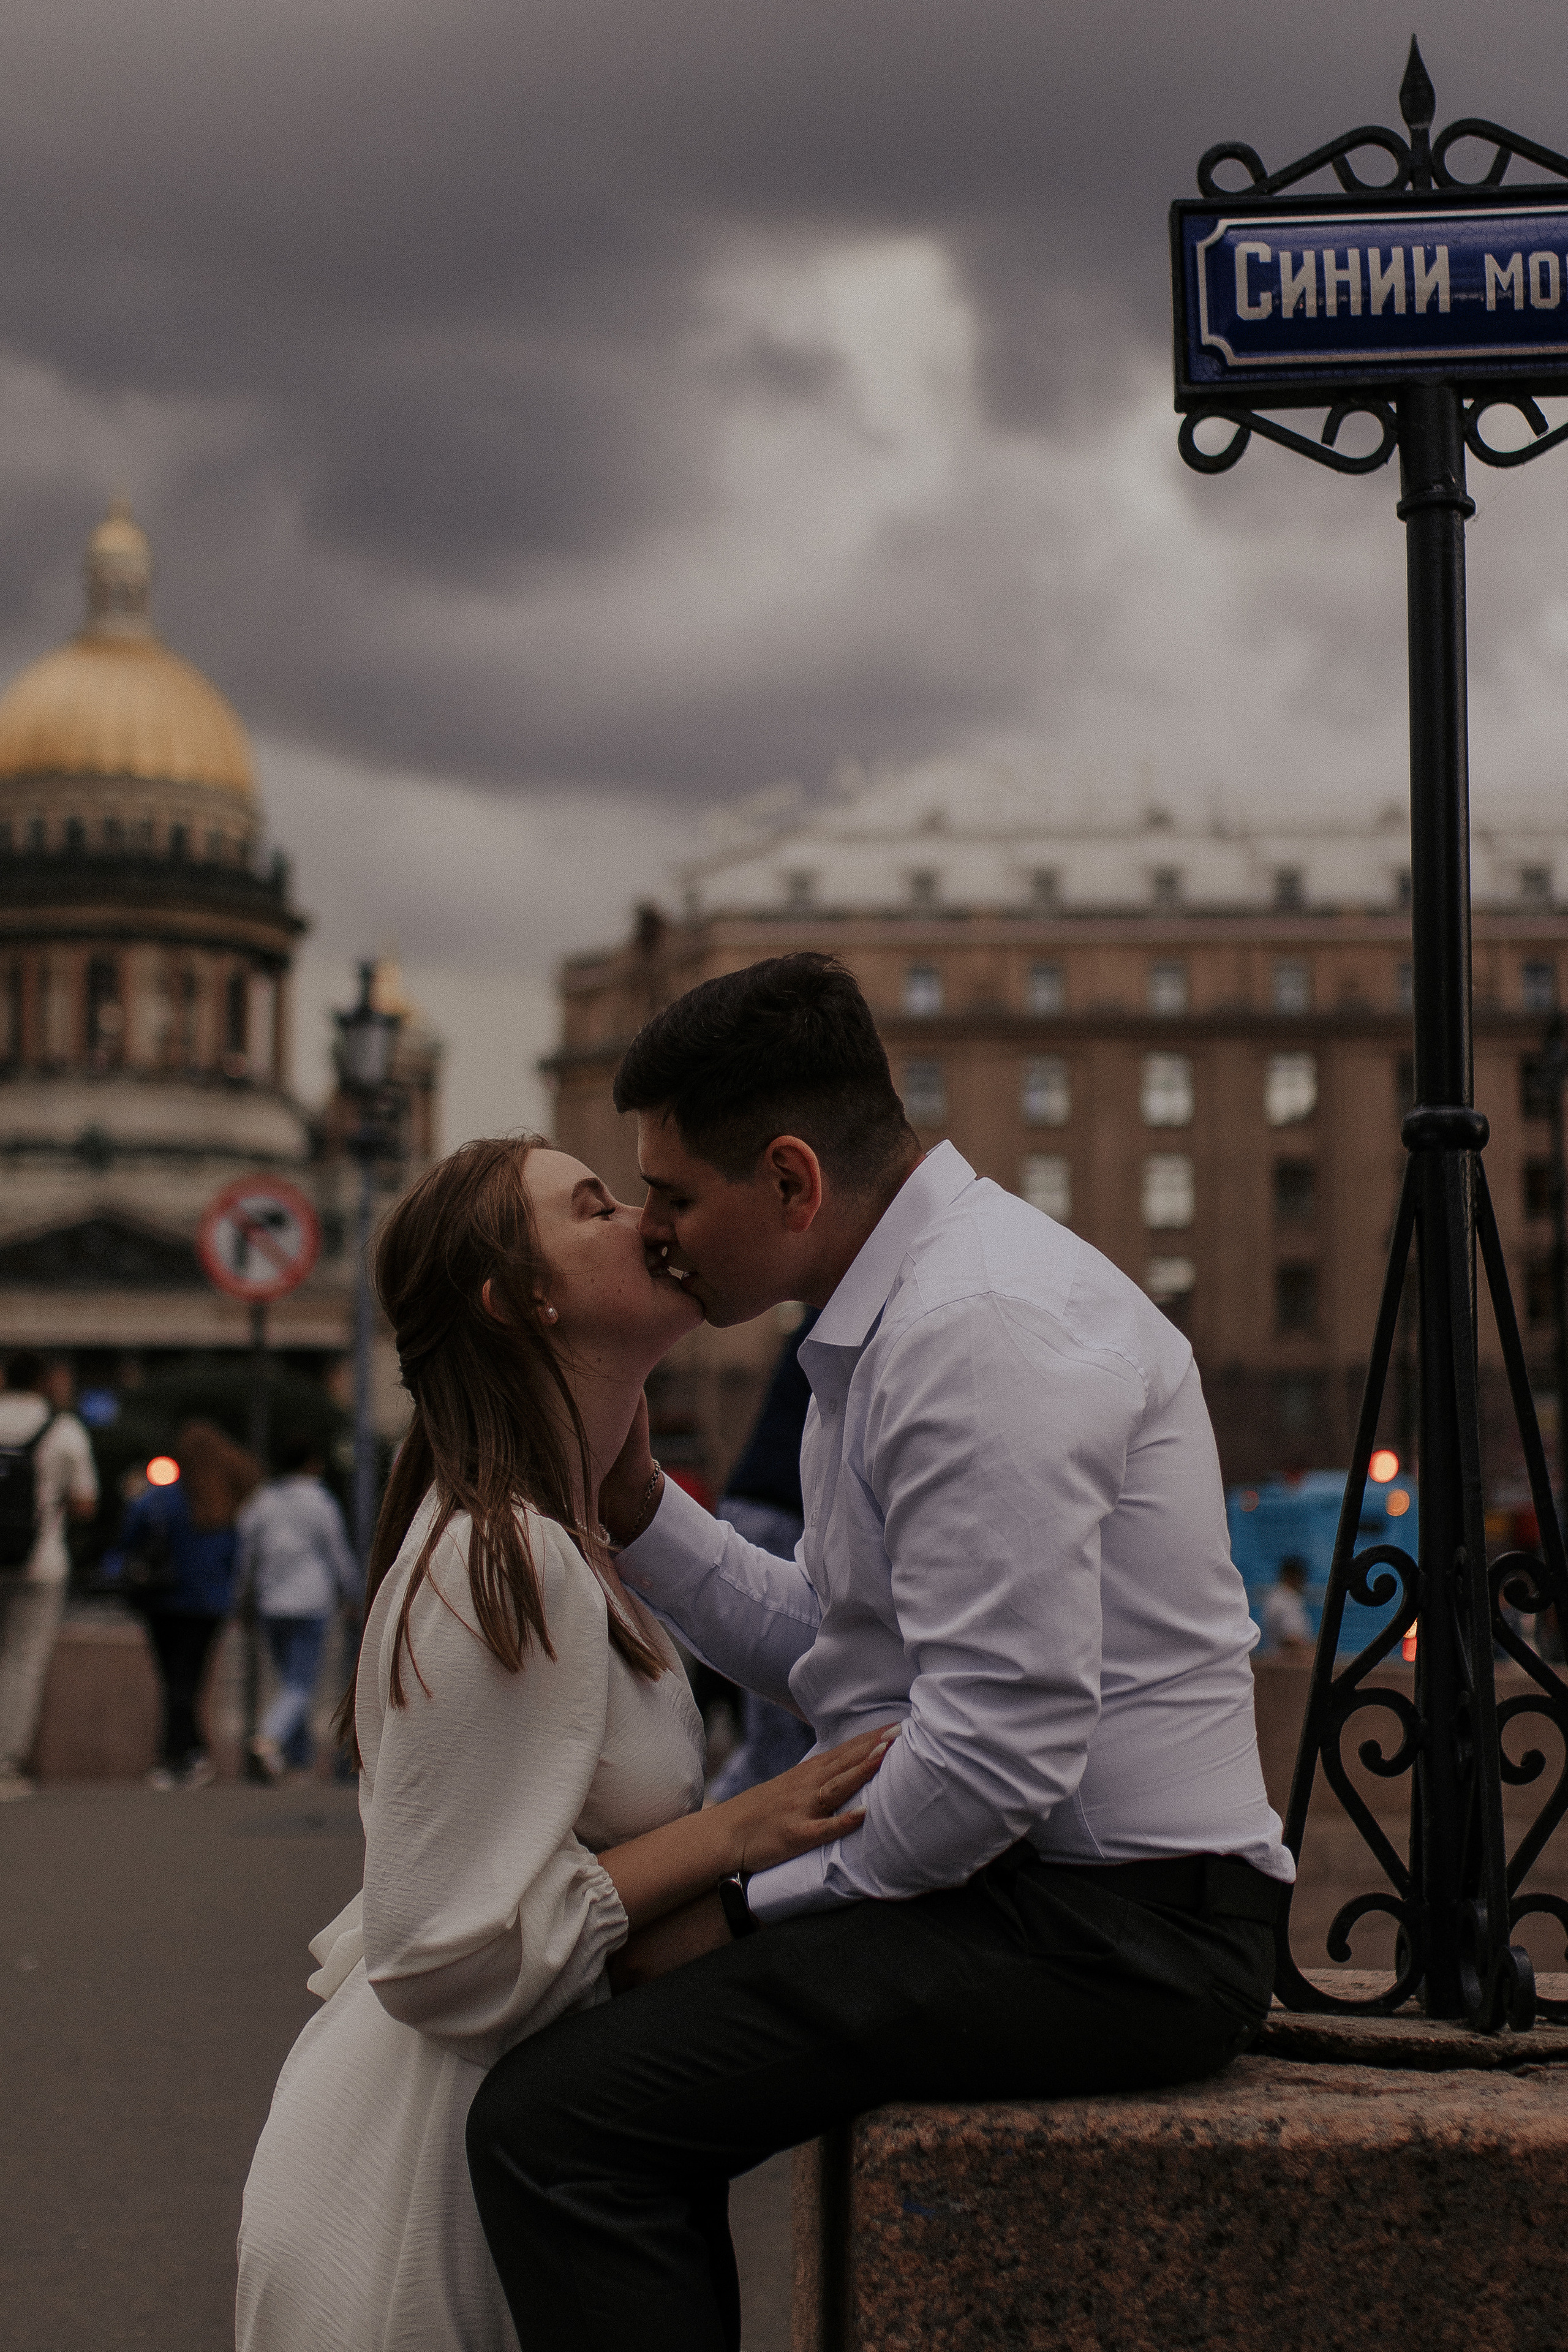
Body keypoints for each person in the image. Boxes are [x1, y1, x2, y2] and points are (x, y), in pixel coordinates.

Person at [465, 951, 1293, 2352]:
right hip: (1046, 1900)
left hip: (1119, 1933)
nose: (656, 1234)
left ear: (791, 1180)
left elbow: (996, 1750)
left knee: (557, 2129)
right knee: (597, 2092)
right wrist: (641, 1509)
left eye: (675, 1196)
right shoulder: (901, 1313)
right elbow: (842, 1649)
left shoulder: (973, 1331)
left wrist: (742, 1906)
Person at [236, 1136, 894, 2351]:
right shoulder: (508, 1555)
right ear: (522, 1300)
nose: (646, 1219)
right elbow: (440, 1951)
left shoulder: (559, 1538)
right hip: (431, 2193)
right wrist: (736, 1830)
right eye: (594, 1208)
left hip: (487, 2143)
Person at [112, 1420, 261, 1789]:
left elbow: (130, 1534)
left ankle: (178, 1756)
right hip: (209, 1604)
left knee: (173, 1680)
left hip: (162, 1599)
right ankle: (191, 1753)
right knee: (190, 1679)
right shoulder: (227, 1502)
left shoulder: (163, 1497)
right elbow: (238, 1558)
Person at [707, 1311, 818, 1800]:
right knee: (784, 1722)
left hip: (756, 1506)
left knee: (776, 1720)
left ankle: (722, 1817)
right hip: (778, 1513)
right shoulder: (844, 1318)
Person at [0, 1352, 98, 1801]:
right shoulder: (64, 1429)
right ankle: (6, 1764)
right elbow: (85, 1504)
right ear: (43, 1381)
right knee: (22, 1661)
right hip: (40, 1562)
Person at [237, 1438, 361, 1782]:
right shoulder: (320, 1501)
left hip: (270, 1603)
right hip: (311, 1602)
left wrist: (243, 1598)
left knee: (288, 1682)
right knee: (300, 1684)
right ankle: (268, 1738)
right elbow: (338, 1552)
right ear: (312, 1464)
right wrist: (352, 1593)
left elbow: (247, 1555)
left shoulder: (263, 1501)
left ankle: (297, 1760)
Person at [1258, 1555, 1314, 1656]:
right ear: (1293, 1577)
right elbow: (1291, 1640)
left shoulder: (1277, 1597)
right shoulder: (1285, 1601)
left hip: (1282, 1654)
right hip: (1286, 1657)